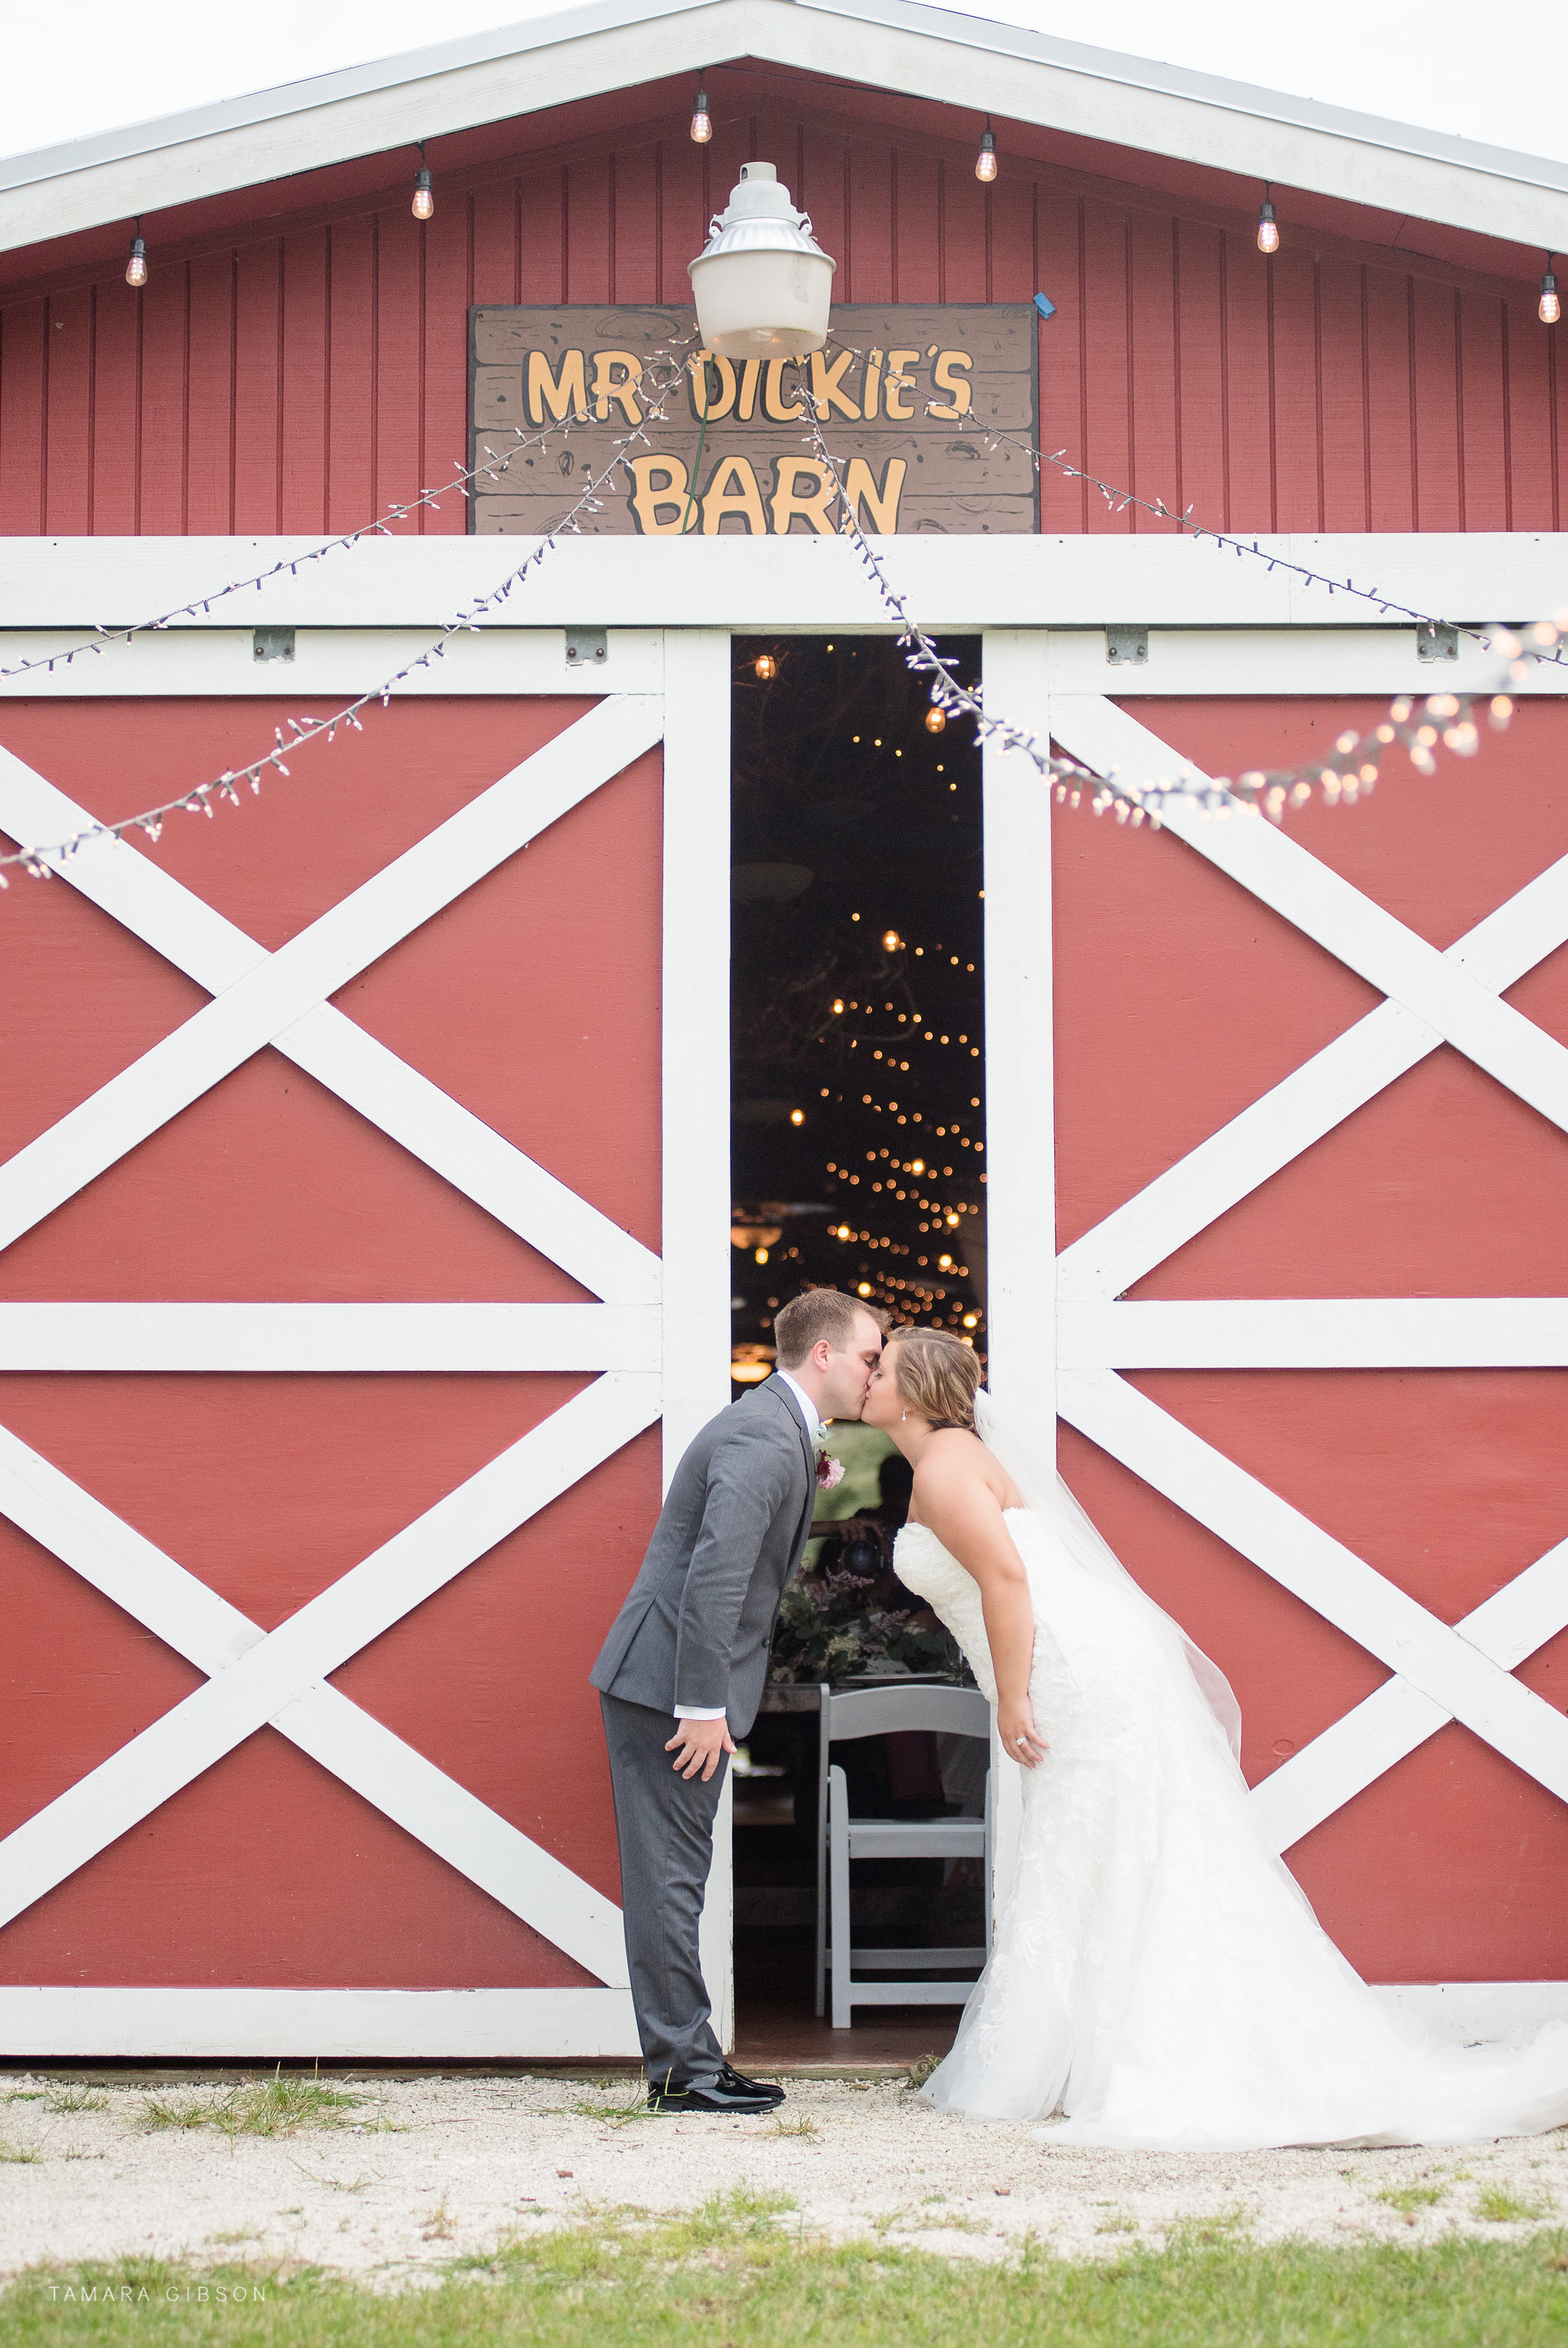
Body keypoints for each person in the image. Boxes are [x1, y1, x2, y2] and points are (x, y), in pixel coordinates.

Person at [863, 1325, 1568, 2150]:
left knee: (1101, 1836)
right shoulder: (951, 1458)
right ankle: (1090, 2047)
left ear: (911, 1393)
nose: (867, 1376)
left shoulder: (945, 1467)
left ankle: (1142, 2048)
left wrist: (1011, 1696)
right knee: (1104, 1842)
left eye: (879, 1368)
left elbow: (1005, 1577)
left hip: (1073, 1670)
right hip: (1082, 1662)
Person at [591, 1288, 886, 2115]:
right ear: (821, 1354)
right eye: (868, 1355)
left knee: (675, 1876)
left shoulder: (776, 1427)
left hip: (668, 1682)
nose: (875, 1371)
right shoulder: (762, 1434)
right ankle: (684, 2072)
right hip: (666, 1689)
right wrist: (698, 1703)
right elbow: (714, 1577)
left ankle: (687, 2060)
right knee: (669, 1880)